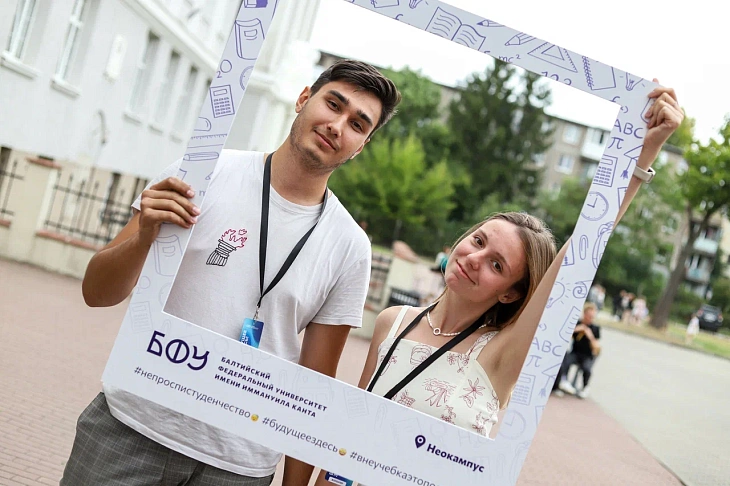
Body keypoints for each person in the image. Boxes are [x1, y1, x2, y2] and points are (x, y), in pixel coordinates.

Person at [316, 82, 683, 485]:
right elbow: (351, 432)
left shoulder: (502, 353)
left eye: (496, 264)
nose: (474, 259)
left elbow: (578, 255)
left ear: (510, 292)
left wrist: (640, 155)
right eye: (478, 240)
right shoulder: (392, 321)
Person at [61, 60, 401, 486]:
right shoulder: (202, 172)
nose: (337, 125)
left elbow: (313, 384)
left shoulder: (350, 246)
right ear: (302, 99)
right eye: (333, 104)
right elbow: (97, 292)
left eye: (357, 124)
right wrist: (146, 235)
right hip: (132, 427)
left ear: (360, 147)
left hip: (238, 465)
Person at [554, 303, 601, 399]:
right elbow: (565, 336)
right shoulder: (577, 323)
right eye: (589, 316)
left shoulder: (595, 328)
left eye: (592, 316)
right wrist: (576, 329)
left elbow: (596, 346)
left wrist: (590, 335)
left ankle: (585, 387)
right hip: (575, 352)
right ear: (584, 314)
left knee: (587, 368)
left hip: (587, 355)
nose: (590, 318)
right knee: (565, 360)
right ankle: (563, 381)